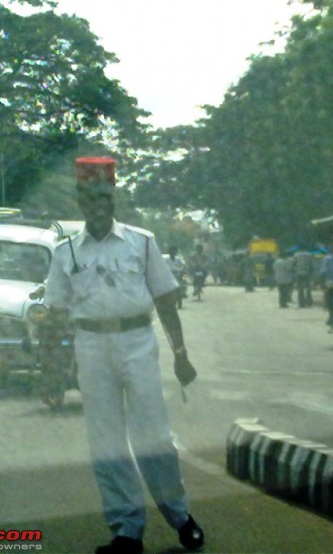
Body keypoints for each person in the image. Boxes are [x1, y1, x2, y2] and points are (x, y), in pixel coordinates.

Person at [41, 157, 204, 554]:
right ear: (80, 203)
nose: (96, 205)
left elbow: (166, 303)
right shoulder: (64, 253)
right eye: (88, 198)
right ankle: (127, 530)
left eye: (102, 197)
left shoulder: (142, 242)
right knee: (106, 441)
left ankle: (180, 517)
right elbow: (57, 314)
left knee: (154, 434)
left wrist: (181, 355)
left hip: (137, 342)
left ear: (112, 201)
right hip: (91, 346)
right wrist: (52, 367)